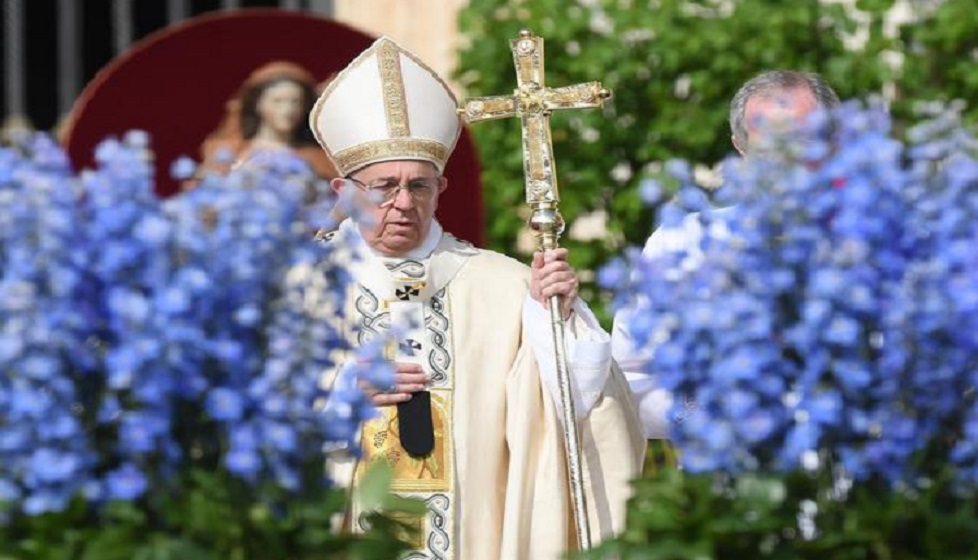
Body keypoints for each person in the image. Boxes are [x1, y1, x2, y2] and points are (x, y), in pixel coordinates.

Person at [314, 37, 645, 559]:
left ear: (441, 188)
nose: (403, 203)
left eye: (419, 186)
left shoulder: (506, 286)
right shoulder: (299, 288)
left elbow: (577, 410)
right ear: (343, 191)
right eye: (383, 186)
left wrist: (553, 320)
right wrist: (339, 397)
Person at [613, 70, 840, 440]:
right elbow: (632, 384)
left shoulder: (889, 240)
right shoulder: (680, 244)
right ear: (741, 149)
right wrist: (707, 417)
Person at [198, 61, 337, 181]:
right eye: (277, 101)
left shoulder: (317, 159)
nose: (288, 110)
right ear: (258, 104)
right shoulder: (230, 152)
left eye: (295, 102)